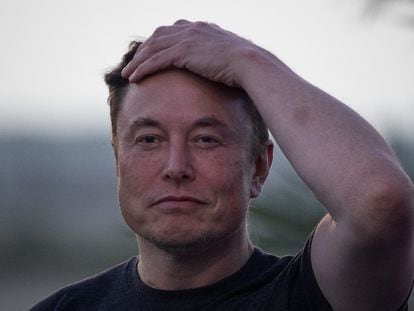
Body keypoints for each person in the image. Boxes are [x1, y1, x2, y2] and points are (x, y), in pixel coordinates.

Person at [31, 20, 414, 311]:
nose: (176, 167)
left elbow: (381, 203)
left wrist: (245, 59)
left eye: (206, 140)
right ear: (118, 162)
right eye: (149, 139)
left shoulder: (307, 295)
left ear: (259, 168)